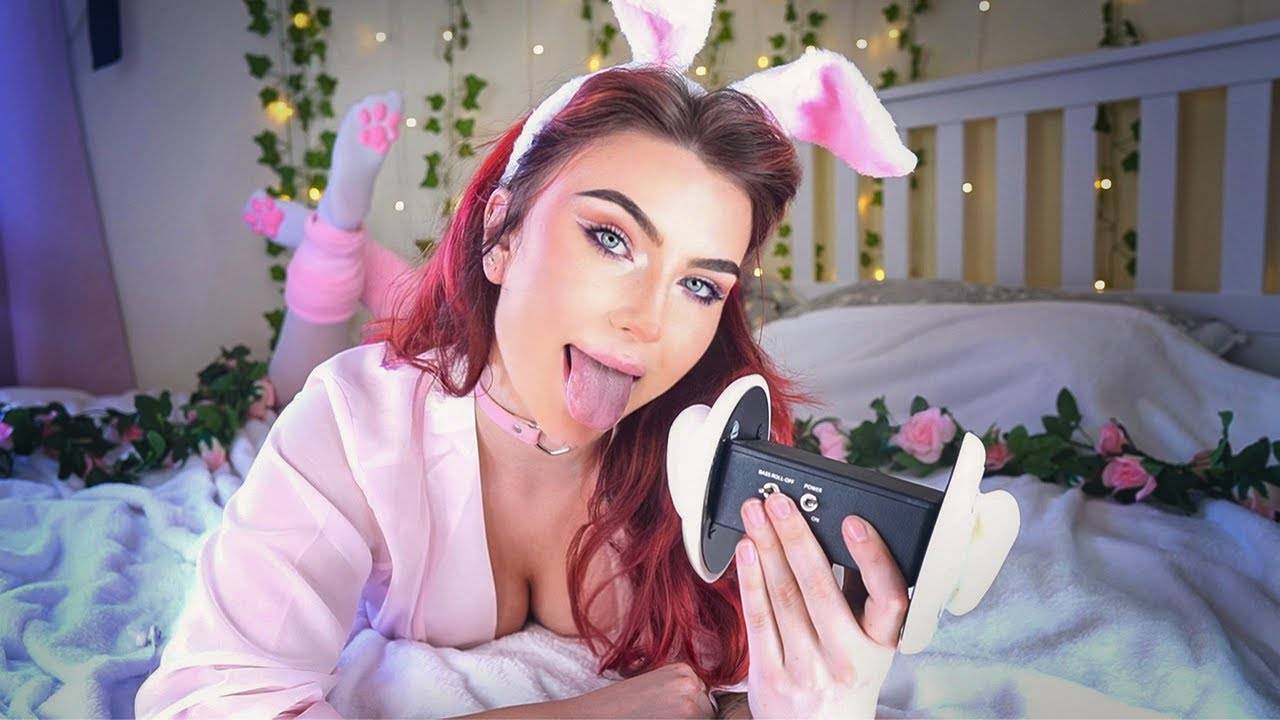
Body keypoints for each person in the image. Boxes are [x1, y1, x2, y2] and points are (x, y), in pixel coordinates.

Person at [135, 1, 918, 717]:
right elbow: (206, 702)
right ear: (500, 235)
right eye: (610, 238)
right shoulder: (356, 422)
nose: (647, 321)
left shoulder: (717, 465)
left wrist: (817, 707)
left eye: (699, 285)